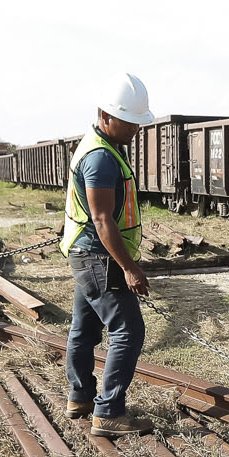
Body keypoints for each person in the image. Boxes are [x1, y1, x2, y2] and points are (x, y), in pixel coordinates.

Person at [61, 73, 155, 436]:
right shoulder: (100, 158)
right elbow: (102, 220)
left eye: (137, 123)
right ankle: (109, 413)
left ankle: (80, 398)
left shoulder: (100, 146)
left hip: (87, 254)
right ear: (105, 116)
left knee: (84, 329)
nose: (134, 130)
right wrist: (128, 268)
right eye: (128, 122)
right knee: (128, 331)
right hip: (98, 256)